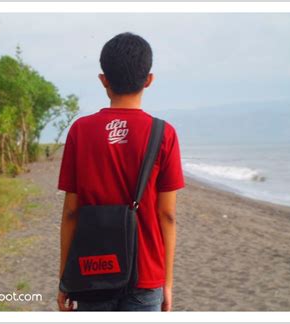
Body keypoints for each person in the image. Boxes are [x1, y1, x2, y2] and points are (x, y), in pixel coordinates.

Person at [57, 32, 185, 311]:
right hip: (146, 274)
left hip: (91, 270)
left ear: (104, 80)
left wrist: (65, 280)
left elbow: (70, 213)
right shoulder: (164, 134)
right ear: (149, 79)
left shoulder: (81, 130)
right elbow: (168, 215)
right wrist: (168, 282)